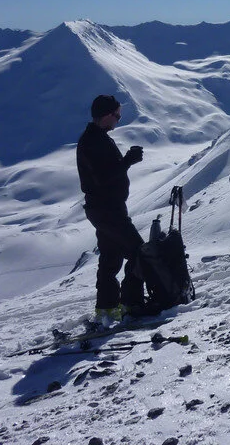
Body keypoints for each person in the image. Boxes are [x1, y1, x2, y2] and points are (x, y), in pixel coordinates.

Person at [76, 95, 150, 321]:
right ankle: (131, 304)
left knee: (111, 256)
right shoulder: (93, 141)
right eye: (117, 115)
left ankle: (107, 308)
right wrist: (128, 161)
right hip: (107, 209)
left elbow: (106, 174)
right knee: (138, 252)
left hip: (104, 208)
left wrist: (126, 161)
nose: (118, 120)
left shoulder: (96, 138)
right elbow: (103, 178)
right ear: (107, 115)